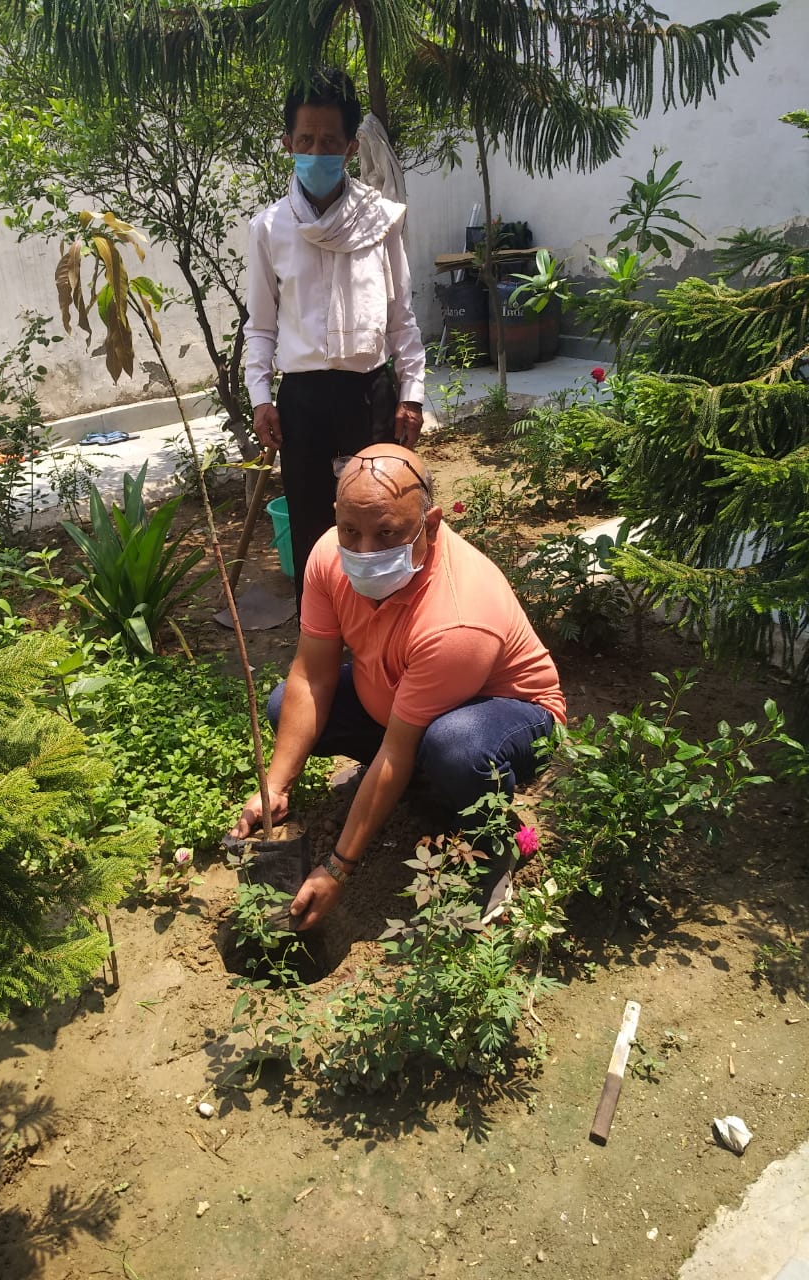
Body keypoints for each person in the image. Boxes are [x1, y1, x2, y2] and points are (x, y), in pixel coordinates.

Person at [230, 444, 567, 931]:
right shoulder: (329, 557)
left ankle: (492, 845)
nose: (364, 551)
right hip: (405, 702)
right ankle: (419, 788)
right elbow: (312, 674)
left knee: (455, 748)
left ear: (429, 525)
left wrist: (337, 866)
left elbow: (397, 746)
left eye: (386, 533)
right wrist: (274, 786)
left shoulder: (457, 617)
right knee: (286, 704)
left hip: (510, 714)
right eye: (352, 531)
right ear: (337, 517)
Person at [245, 68, 427, 610]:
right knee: (311, 526)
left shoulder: (381, 220)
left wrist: (411, 394)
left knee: (383, 519)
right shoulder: (269, 228)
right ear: (287, 145)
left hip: (370, 396)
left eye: (329, 142)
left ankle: (388, 626)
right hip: (302, 401)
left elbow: (402, 318)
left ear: (350, 148)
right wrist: (261, 399)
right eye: (305, 141)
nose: (316, 152)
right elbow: (261, 325)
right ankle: (321, 637)